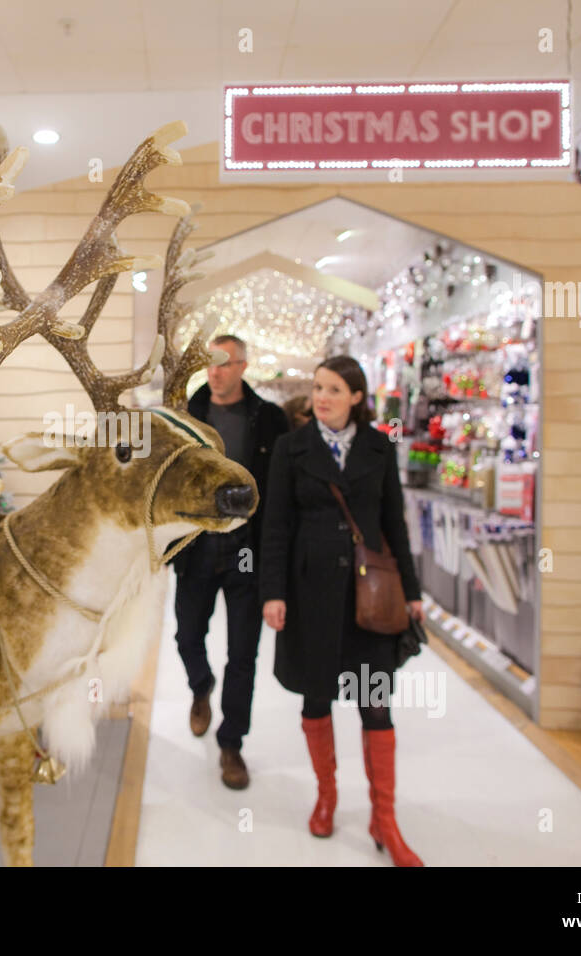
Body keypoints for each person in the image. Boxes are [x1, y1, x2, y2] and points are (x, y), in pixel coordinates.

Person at [259, 355, 425, 867]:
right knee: (316, 699)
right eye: (317, 387)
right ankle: (326, 796)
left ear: (357, 396)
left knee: (376, 703)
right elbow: (276, 526)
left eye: (333, 389)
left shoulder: (379, 447)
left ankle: (385, 819)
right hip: (309, 597)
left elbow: (393, 523)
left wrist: (413, 591)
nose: (321, 397)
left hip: (368, 601)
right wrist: (273, 592)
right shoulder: (291, 448)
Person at [171, 334, 289, 790]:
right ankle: (201, 687)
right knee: (186, 635)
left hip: (247, 550)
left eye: (224, 364)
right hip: (199, 544)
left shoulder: (270, 420)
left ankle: (231, 744)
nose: (215, 372)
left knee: (243, 654)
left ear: (243, 366)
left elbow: (280, 495)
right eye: (210, 364)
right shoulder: (187, 418)